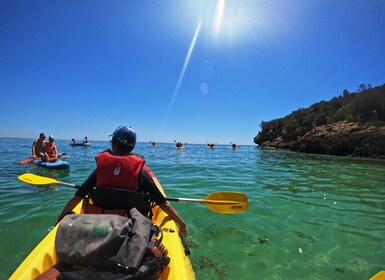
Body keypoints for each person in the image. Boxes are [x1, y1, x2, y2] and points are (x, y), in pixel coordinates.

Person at [56, 125, 188, 234]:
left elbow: (77, 197)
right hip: (129, 228)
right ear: (132, 146)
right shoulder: (140, 172)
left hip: (99, 225)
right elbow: (163, 204)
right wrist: (182, 224)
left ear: (113, 143)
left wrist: (60, 217)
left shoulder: (101, 170)